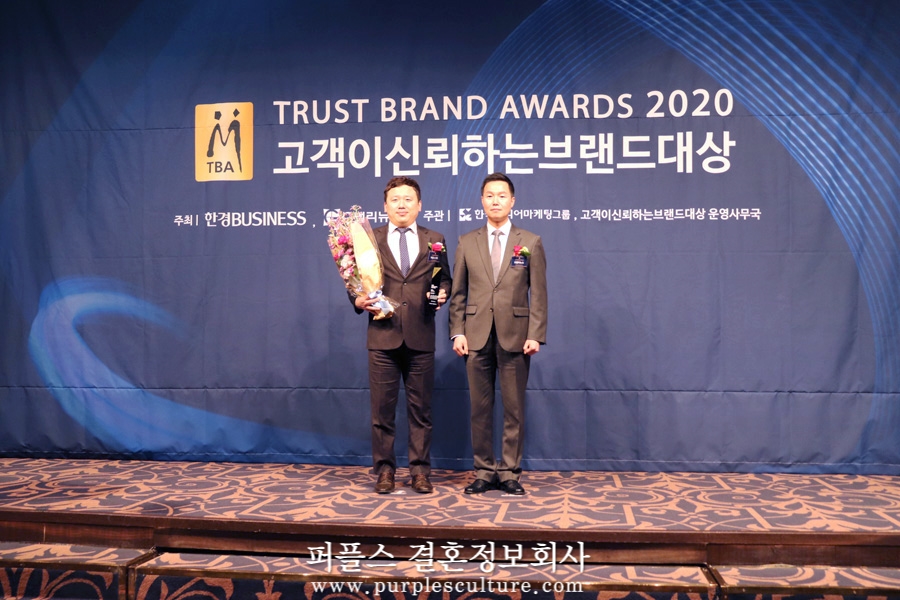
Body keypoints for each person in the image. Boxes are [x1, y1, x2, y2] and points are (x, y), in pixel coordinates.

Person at [449, 172, 547, 495]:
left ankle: (509, 473)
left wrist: (535, 334)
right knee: (480, 409)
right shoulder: (467, 242)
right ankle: (484, 471)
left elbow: (539, 294)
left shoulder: (530, 241)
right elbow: (458, 294)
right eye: (490, 195)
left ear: (512, 201)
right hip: (475, 337)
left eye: (502, 195)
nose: (495, 201)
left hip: (516, 336)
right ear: (481, 201)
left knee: (514, 409)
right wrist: (457, 332)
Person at [353, 176, 451, 494]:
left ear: (419, 205)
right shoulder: (371, 240)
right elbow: (356, 280)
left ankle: (420, 471)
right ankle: (385, 471)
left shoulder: (435, 239)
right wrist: (356, 299)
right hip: (383, 336)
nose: (402, 205)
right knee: (382, 411)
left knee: (421, 411)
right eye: (395, 200)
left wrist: (443, 292)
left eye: (408, 199)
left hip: (421, 335)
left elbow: (444, 279)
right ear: (385, 206)